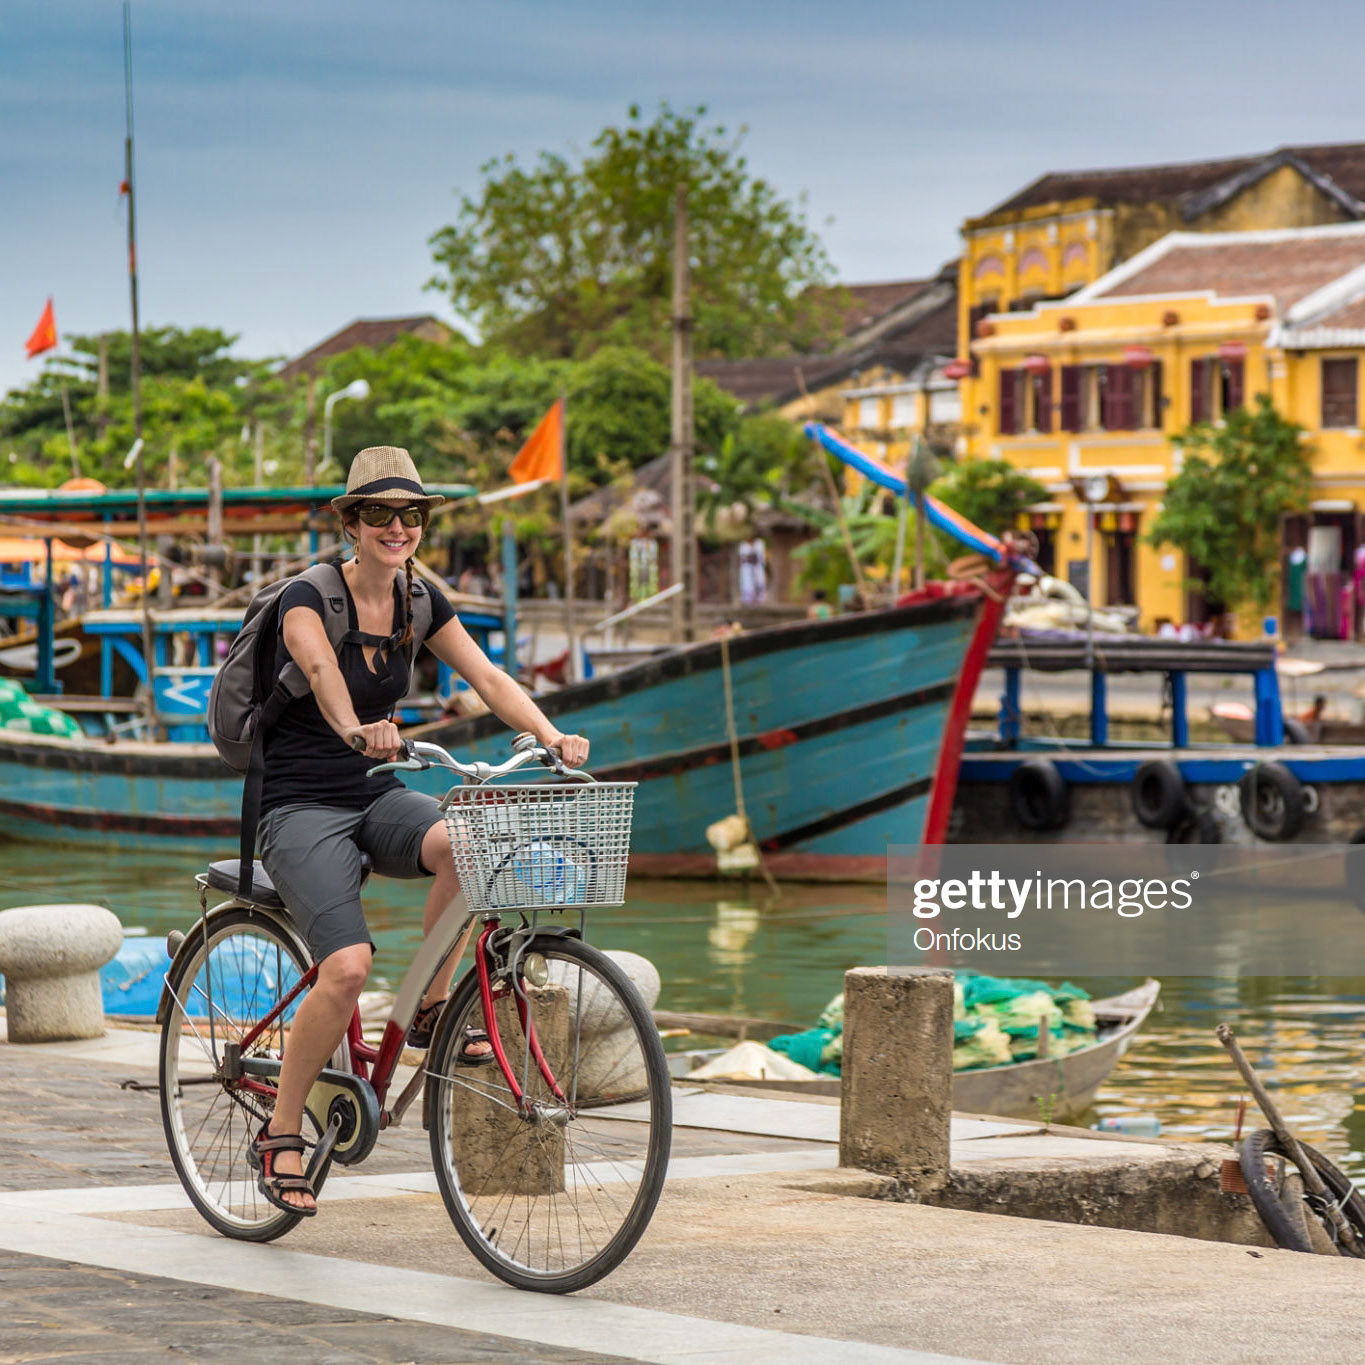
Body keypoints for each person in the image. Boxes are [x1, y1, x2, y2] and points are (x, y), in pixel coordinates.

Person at [250, 446, 588, 1216]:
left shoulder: (418, 598)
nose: (396, 526)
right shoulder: (308, 596)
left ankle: (432, 1007)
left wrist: (551, 733)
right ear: (350, 521)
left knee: (471, 841)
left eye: (411, 514)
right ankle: (279, 1132)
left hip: (374, 791)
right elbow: (323, 673)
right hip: (299, 804)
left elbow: (490, 677)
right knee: (344, 968)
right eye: (378, 513)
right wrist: (354, 727)